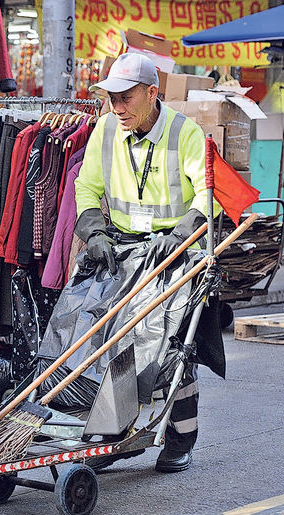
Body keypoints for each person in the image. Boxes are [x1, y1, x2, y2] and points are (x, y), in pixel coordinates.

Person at [74, 53, 220, 472]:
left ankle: (180, 437)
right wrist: (94, 232)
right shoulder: (105, 130)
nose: (116, 108)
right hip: (122, 247)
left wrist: (181, 234)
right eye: (111, 99)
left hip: (175, 250)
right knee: (115, 340)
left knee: (173, 345)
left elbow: (207, 194)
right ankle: (117, 431)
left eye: (125, 98)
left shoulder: (185, 133)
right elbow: (86, 187)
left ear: (152, 94)